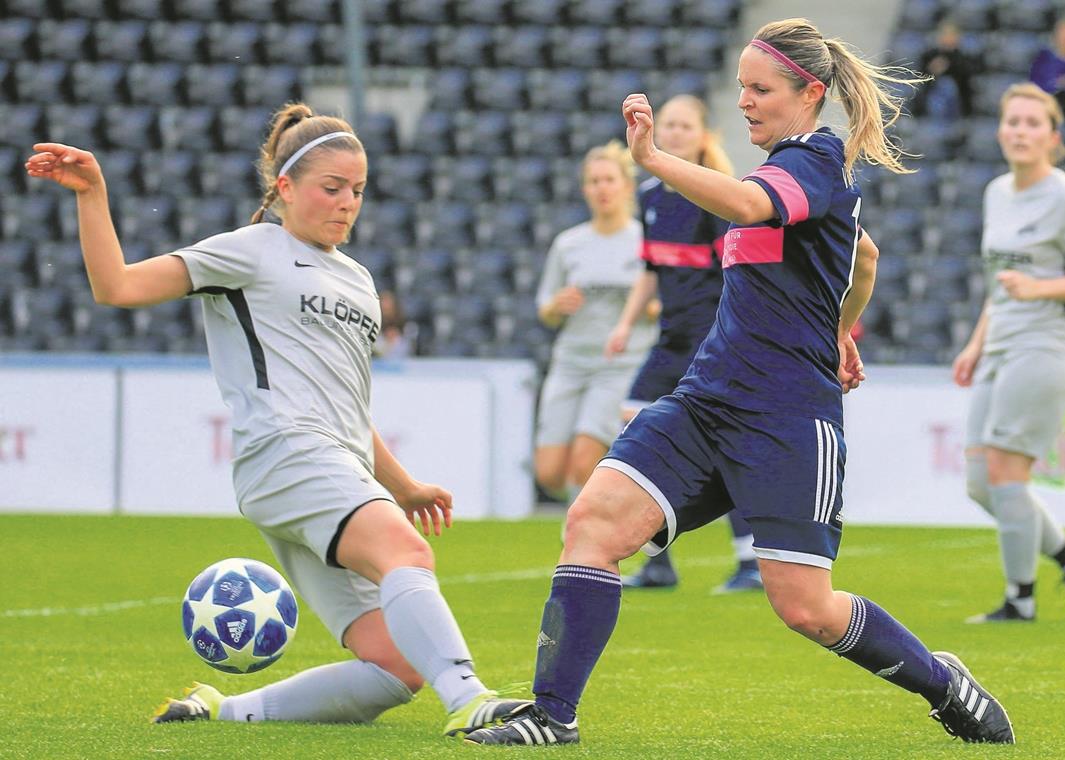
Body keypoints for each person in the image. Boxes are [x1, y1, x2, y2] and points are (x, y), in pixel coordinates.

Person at [466, 18, 1015, 747]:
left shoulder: (817, 159)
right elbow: (867, 258)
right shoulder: (792, 169)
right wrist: (842, 330)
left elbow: (767, 211)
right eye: (741, 89)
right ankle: (552, 715)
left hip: (787, 417)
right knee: (592, 523)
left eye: (760, 90)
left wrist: (654, 157)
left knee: (806, 609)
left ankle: (943, 683)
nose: (747, 102)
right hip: (706, 399)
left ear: (810, 93)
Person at [26, 103, 528, 737]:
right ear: (285, 188)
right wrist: (93, 195)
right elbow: (116, 287)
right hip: (285, 454)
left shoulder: (359, 279)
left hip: (329, 464)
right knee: (404, 551)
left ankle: (220, 711)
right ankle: (471, 700)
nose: (348, 203)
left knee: (396, 667)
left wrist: (403, 485)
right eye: (332, 188)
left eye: (358, 190)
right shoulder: (252, 250)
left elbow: (344, 403)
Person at [951, 82, 1065, 624]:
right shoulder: (997, 191)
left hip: (1048, 344)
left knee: (1005, 472)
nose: (1020, 131)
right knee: (980, 481)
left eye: (1032, 123)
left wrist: (1040, 289)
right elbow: (999, 284)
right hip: (1000, 342)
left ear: (1053, 136)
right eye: (1012, 121)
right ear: (1001, 130)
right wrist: (976, 345)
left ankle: (1020, 600)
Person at [604, 94, 762, 594]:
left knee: (718, 447)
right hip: (670, 339)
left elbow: (738, 273)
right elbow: (652, 271)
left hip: (710, 339)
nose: (671, 132)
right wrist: (626, 323)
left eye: (682, 125)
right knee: (637, 428)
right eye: (666, 124)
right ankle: (658, 560)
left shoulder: (717, 197)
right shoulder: (651, 197)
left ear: (702, 135)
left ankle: (749, 561)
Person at [532, 142, 657, 511]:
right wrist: (557, 305)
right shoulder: (569, 244)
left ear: (626, 186)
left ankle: (580, 544)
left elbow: (669, 300)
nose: (602, 188)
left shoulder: (642, 240)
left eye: (609, 180)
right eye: (594, 181)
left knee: (583, 462)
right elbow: (545, 309)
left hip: (620, 364)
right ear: (585, 189)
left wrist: (652, 308)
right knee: (550, 472)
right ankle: (608, 511)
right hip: (571, 361)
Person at [912, 20, 977, 119]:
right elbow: (920, 81)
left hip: (958, 105)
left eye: (951, 35)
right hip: (930, 102)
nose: (948, 38)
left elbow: (967, 81)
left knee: (948, 86)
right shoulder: (928, 56)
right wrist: (932, 71)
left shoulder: (964, 58)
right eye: (945, 34)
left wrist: (949, 65)